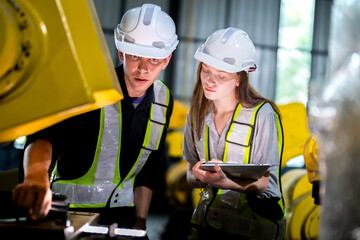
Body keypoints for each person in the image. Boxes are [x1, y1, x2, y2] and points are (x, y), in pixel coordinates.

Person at [12, 3, 178, 237]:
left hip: (124, 220)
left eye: (153, 60)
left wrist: (140, 220)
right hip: (68, 215)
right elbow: (46, 137)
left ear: (166, 60)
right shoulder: (92, 90)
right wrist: (35, 177)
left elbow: (150, 168)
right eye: (135, 56)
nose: (143, 69)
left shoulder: (164, 100)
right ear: (121, 53)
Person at [183, 27, 286, 240]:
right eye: (205, 70)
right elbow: (189, 174)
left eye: (221, 75)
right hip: (210, 226)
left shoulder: (262, 115)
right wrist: (200, 176)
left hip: (253, 231)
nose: (210, 81)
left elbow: (266, 184)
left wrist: (225, 182)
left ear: (239, 78)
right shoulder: (196, 113)